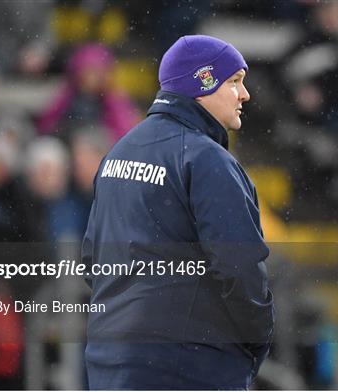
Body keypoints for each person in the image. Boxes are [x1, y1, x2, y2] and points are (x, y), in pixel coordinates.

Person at [82, 35, 274, 389]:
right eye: (234, 82)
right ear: (202, 83)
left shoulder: (118, 152)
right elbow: (240, 268)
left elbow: (93, 261)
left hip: (110, 362)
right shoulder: (206, 160)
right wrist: (256, 341)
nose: (244, 94)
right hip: (188, 366)